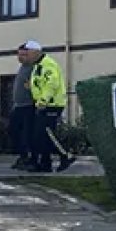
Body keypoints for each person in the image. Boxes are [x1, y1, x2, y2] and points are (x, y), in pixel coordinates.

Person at [23, 40, 76, 173]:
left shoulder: (47, 65)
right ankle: (45, 163)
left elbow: (51, 84)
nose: (26, 57)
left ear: (36, 52)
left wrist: (43, 101)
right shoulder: (38, 65)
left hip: (51, 105)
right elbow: (41, 84)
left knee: (46, 133)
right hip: (44, 104)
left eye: (27, 53)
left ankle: (65, 155)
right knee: (41, 135)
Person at [9, 42, 38, 169]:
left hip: (28, 106)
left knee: (27, 134)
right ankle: (22, 155)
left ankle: (30, 158)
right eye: (19, 55)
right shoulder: (22, 67)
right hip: (18, 106)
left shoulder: (33, 68)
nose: (20, 57)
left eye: (24, 55)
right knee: (13, 130)